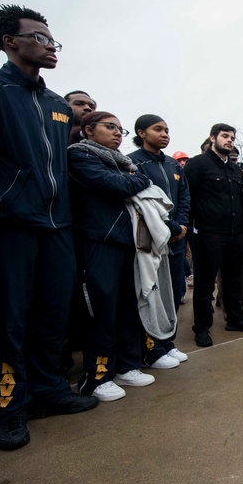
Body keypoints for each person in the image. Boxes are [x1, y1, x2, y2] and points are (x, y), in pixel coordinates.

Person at [0, 3, 98, 451]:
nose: (51, 46)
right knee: (8, 320)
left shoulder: (57, 104)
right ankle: (8, 408)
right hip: (9, 225)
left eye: (53, 39)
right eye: (39, 37)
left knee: (52, 314)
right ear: (10, 42)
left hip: (58, 226)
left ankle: (49, 390)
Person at [68, 112, 153, 401]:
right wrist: (134, 180)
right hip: (97, 242)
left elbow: (141, 179)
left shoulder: (124, 163)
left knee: (129, 307)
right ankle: (97, 376)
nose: (118, 133)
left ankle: (126, 366)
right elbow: (116, 186)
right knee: (101, 310)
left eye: (121, 129)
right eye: (110, 127)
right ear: (88, 130)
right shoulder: (79, 156)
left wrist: (135, 179)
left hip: (126, 244)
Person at [183, 124, 243, 347]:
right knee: (205, 285)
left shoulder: (234, 169)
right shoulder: (197, 164)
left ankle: (234, 319)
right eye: (225, 136)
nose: (229, 141)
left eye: (232, 137)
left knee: (232, 280)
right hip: (208, 234)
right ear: (213, 138)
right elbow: (188, 198)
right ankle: (202, 328)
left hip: (234, 234)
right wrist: (191, 229)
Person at [128, 114, 190, 367]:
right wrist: (171, 226)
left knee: (174, 292)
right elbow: (142, 201)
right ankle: (151, 350)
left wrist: (182, 225)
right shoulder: (133, 163)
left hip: (176, 239)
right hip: (151, 239)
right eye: (158, 129)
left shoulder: (173, 165)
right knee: (152, 294)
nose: (165, 134)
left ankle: (167, 342)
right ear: (142, 133)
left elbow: (184, 196)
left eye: (167, 130)